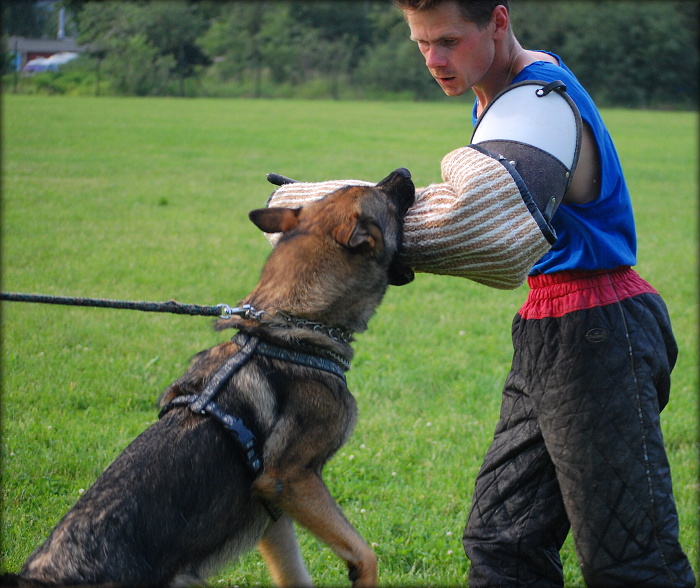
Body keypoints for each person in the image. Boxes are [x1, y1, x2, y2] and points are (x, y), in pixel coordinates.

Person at [391, 0, 696, 586]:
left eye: (449, 40)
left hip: (600, 331)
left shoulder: (538, 103)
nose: (434, 59)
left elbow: (479, 222)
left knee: (631, 561)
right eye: (421, 43)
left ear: (498, 21)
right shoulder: (503, 95)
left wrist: (350, 231)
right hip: (554, 329)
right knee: (503, 539)